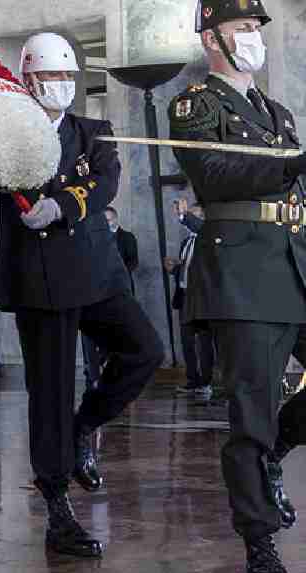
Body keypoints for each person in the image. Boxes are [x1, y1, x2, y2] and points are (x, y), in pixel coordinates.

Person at [0, 32, 163, 558]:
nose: (62, 86)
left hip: (97, 270)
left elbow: (105, 183)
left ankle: (86, 426)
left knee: (144, 350)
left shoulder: (95, 131)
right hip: (41, 281)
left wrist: (62, 204)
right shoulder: (4, 134)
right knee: (50, 393)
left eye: (69, 76)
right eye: (51, 77)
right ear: (28, 80)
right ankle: (58, 508)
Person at [168, 1, 306, 569]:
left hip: (292, 264)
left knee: (264, 428)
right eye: (243, 28)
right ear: (211, 41)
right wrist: (292, 164)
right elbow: (215, 176)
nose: (254, 38)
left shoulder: (277, 112)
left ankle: (275, 449)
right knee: (250, 414)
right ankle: (259, 540)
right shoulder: (193, 106)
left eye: (256, 29)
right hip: (241, 275)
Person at [164, 198, 214, 397]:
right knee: (186, 341)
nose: (190, 220)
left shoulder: (208, 238)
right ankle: (192, 380)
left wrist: (185, 215)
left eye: (195, 216)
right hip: (185, 297)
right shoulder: (187, 242)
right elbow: (188, 269)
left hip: (202, 300)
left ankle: (206, 381)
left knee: (204, 343)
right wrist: (174, 268)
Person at [105, 206, 139, 289]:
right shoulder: (99, 237)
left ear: (115, 219)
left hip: (122, 284)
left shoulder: (127, 236)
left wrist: (119, 274)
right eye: (103, 221)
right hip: (103, 286)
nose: (105, 223)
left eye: (108, 220)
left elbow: (134, 261)